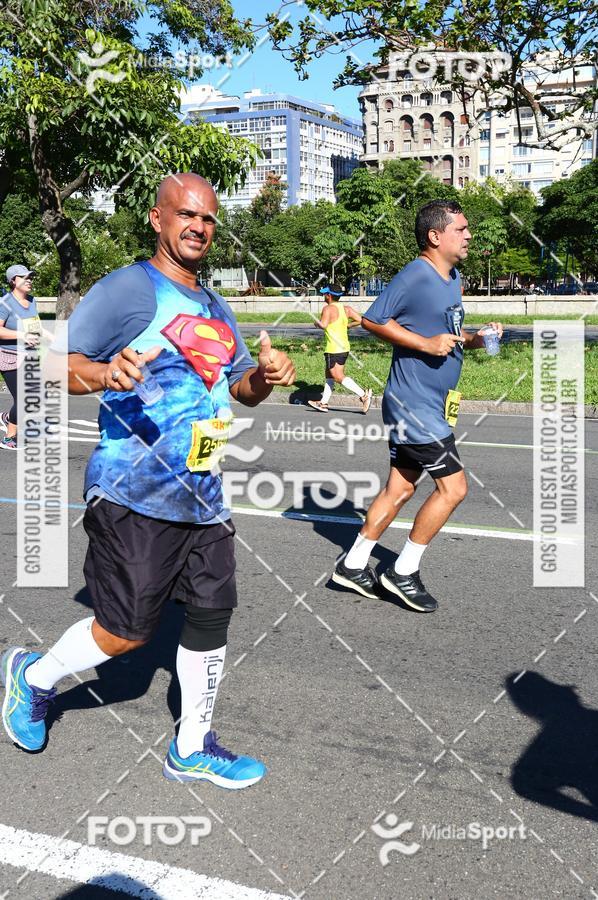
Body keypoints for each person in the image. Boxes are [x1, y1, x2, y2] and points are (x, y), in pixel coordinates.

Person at [1, 173, 295, 789]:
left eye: (210, 219)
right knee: (127, 634)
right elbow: (51, 368)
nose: (199, 227)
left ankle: (192, 746)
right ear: (157, 219)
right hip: (133, 491)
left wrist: (267, 375)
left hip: (203, 495)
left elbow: (238, 389)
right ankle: (31, 676)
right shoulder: (130, 288)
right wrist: (107, 372)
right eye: (186, 214)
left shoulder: (216, 306)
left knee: (212, 616)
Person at [332, 200, 502, 612]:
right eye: (460, 229)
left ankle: (353, 564)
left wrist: (479, 338)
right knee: (454, 487)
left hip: (433, 403)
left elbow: (449, 334)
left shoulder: (452, 278)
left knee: (401, 486)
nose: (468, 235)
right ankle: (401, 571)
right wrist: (425, 344)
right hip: (413, 405)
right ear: (435, 236)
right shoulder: (416, 274)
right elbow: (373, 320)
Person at [308, 283, 372, 414]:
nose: (323, 296)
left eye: (325, 293)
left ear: (329, 296)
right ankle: (323, 403)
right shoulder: (346, 309)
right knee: (329, 375)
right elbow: (361, 320)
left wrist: (317, 323)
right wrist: (348, 326)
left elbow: (324, 324)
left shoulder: (328, 309)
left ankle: (363, 395)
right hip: (343, 346)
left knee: (337, 376)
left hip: (334, 348)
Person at [0, 266, 41, 449]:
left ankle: (9, 418)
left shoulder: (32, 301)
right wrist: (21, 335)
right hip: (9, 356)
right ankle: (8, 438)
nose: (29, 280)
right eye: (24, 277)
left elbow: (34, 325)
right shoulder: (5, 303)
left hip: (29, 355)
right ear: (13, 281)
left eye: (30, 277)